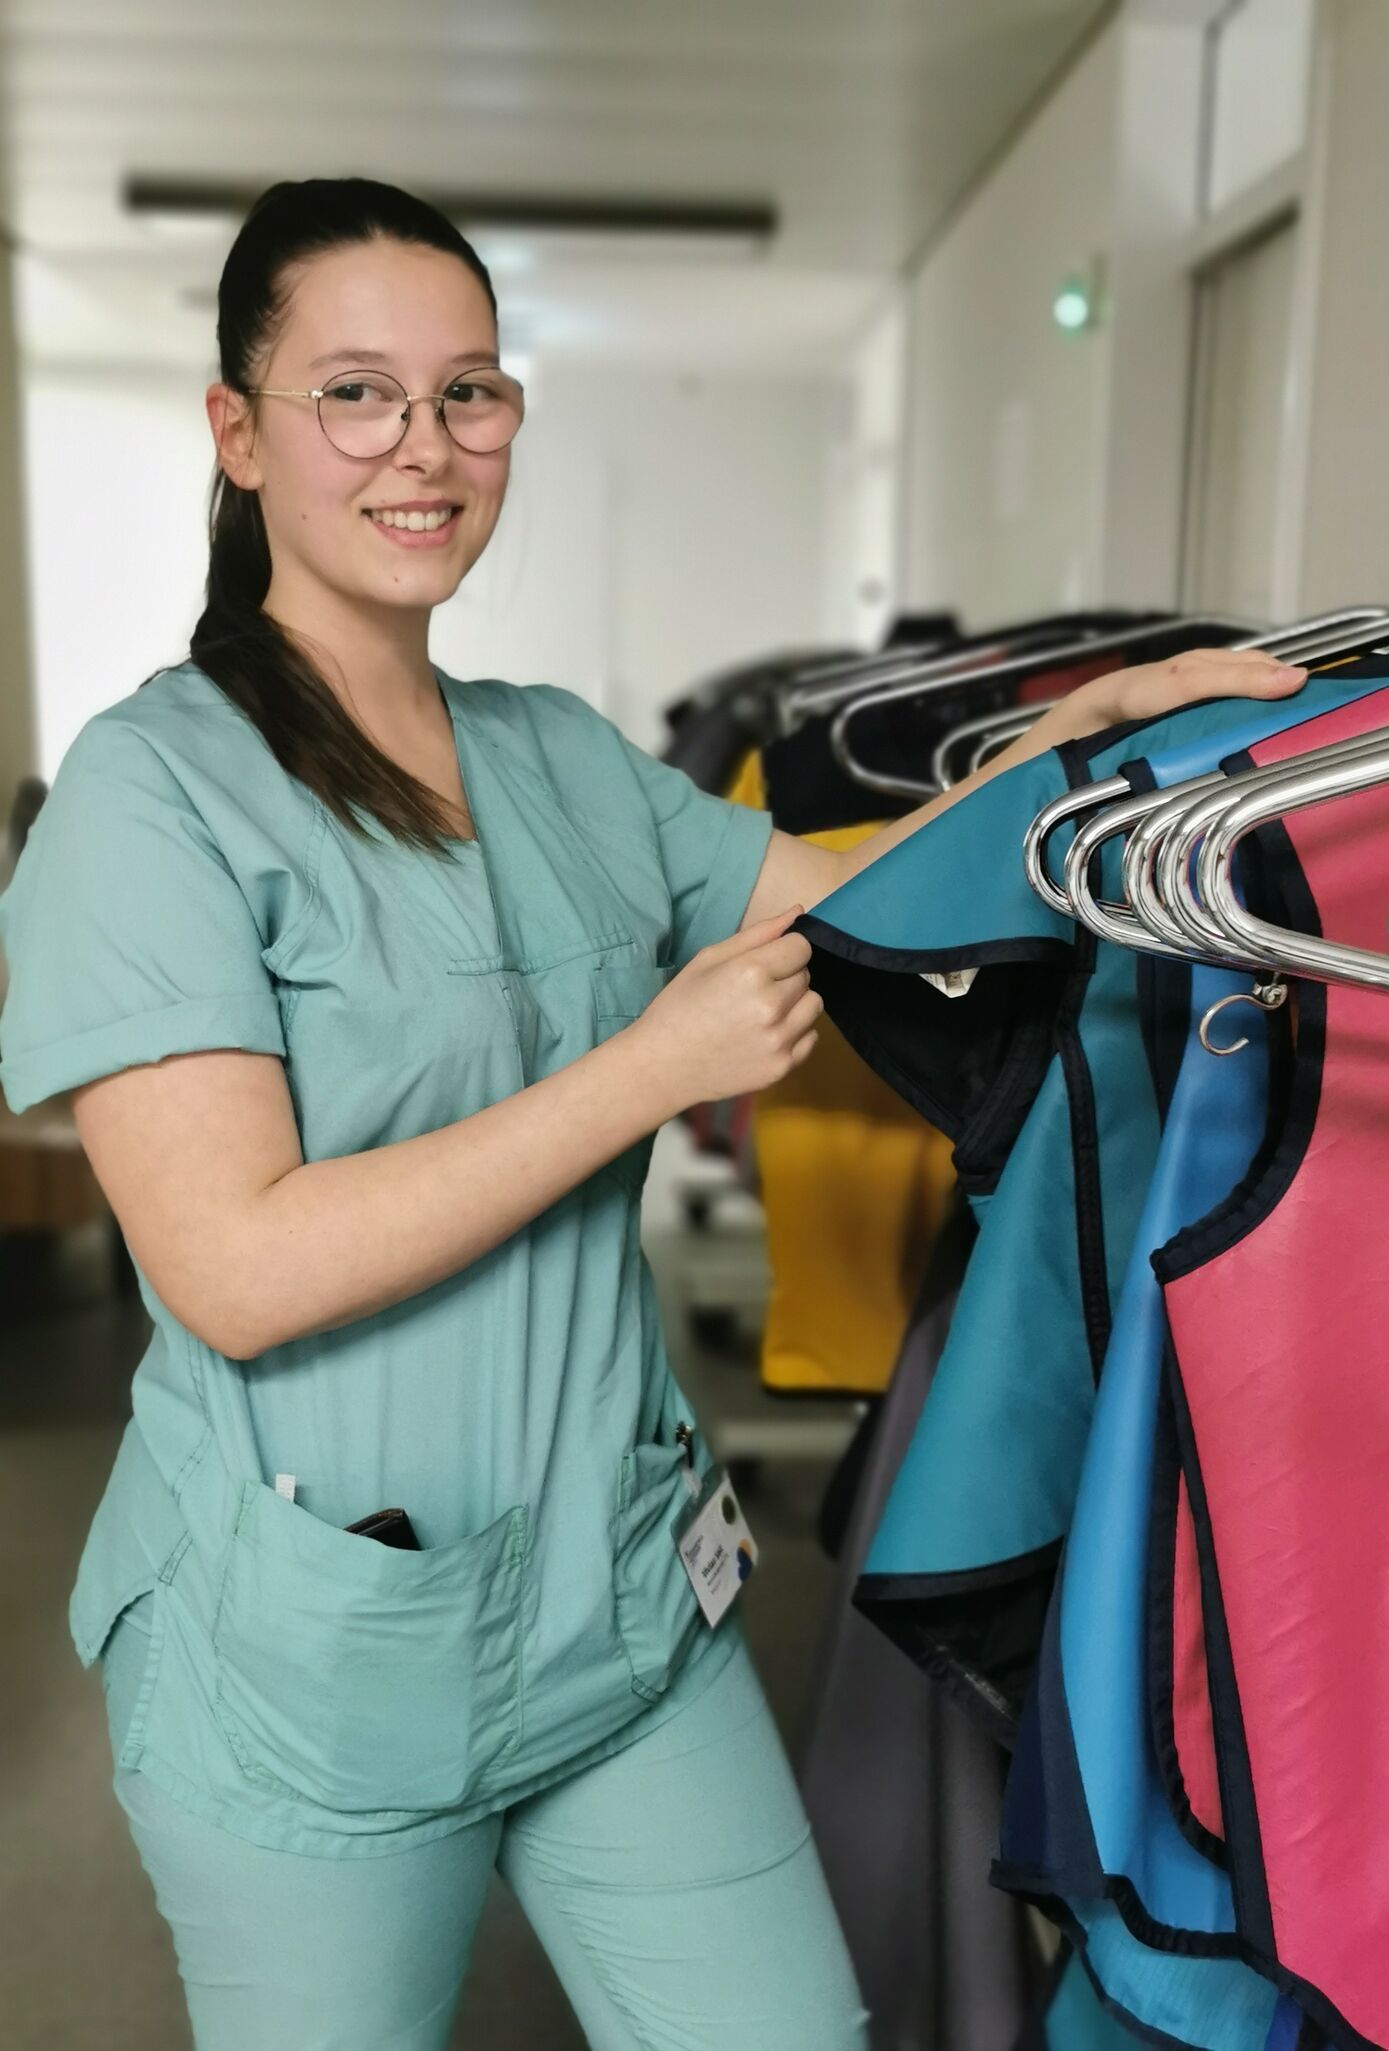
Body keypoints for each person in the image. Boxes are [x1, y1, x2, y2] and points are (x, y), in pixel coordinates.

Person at [0, 176, 1308, 2051]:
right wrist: (646, 1070)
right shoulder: (154, 798)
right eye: (354, 393)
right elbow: (230, 1266)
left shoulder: (551, 755)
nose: (424, 448)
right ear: (237, 429)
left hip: (620, 1616)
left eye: (471, 392)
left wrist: (1109, 738)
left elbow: (861, 881)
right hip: (318, 1653)